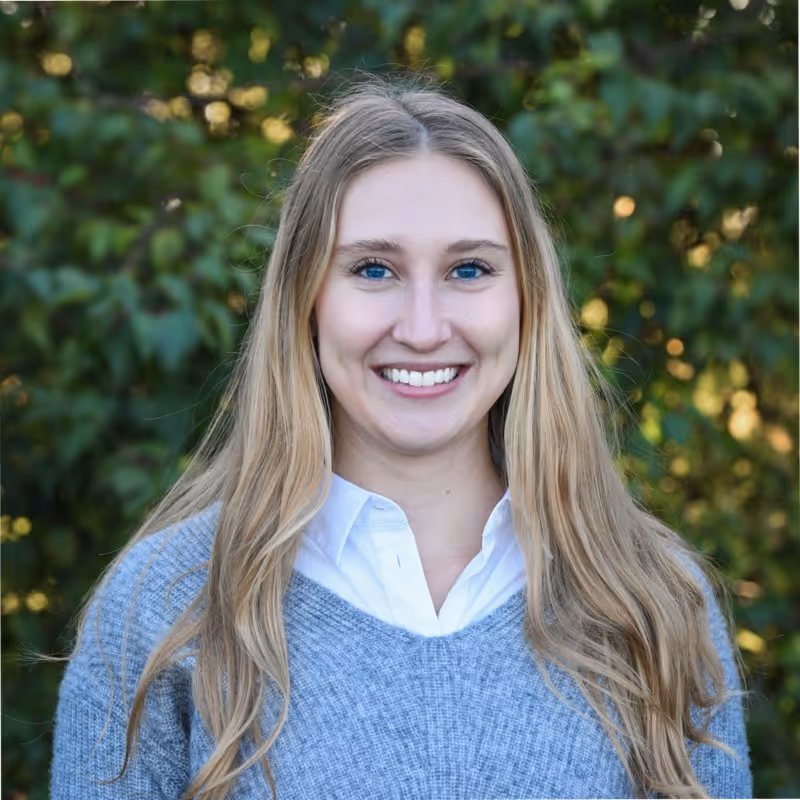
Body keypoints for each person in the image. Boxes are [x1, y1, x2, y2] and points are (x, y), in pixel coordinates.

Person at [50, 77, 751, 800]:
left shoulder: (654, 601)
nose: (422, 328)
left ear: (527, 300)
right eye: (373, 269)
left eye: (469, 269)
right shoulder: (166, 608)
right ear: (306, 298)